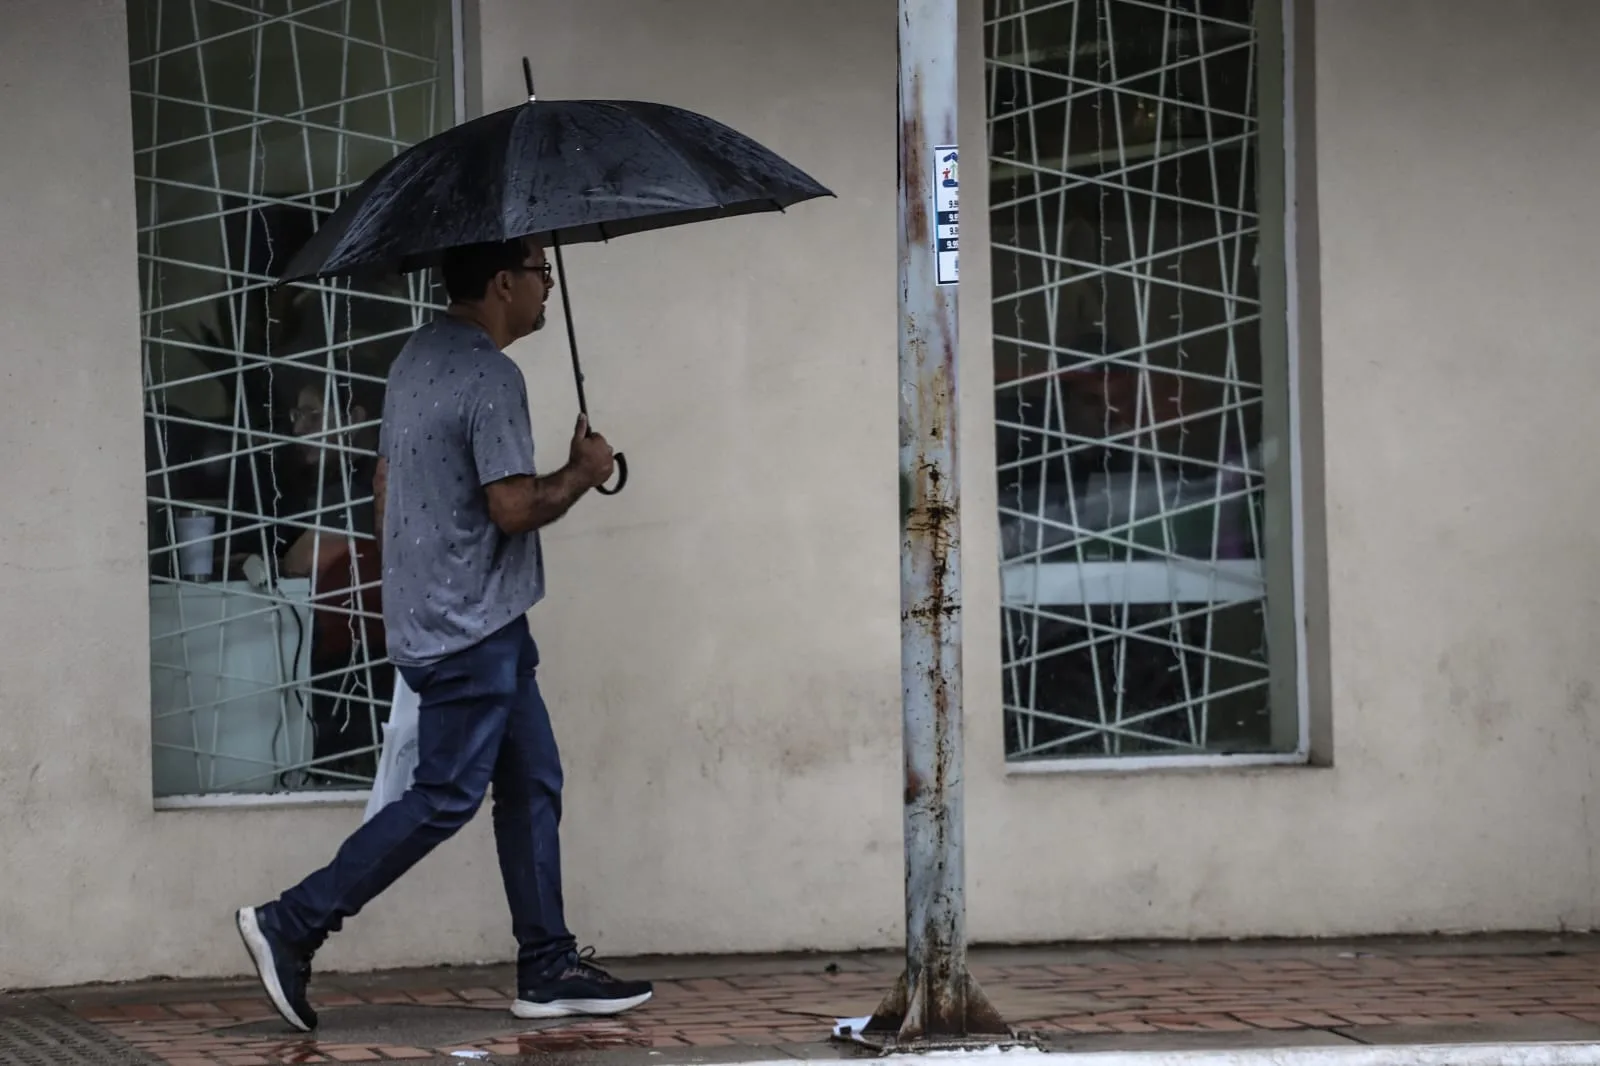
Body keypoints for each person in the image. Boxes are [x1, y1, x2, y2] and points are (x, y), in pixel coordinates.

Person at [235, 236, 651, 1031]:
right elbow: (513, 507)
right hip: (472, 625)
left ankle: (547, 964)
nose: (547, 288)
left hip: (451, 614)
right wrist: (583, 472)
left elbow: (387, 482)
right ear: (502, 281)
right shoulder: (493, 377)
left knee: (532, 779)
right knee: (446, 795)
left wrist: (410, 594)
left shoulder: (415, 357)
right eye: (540, 273)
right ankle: (291, 923)